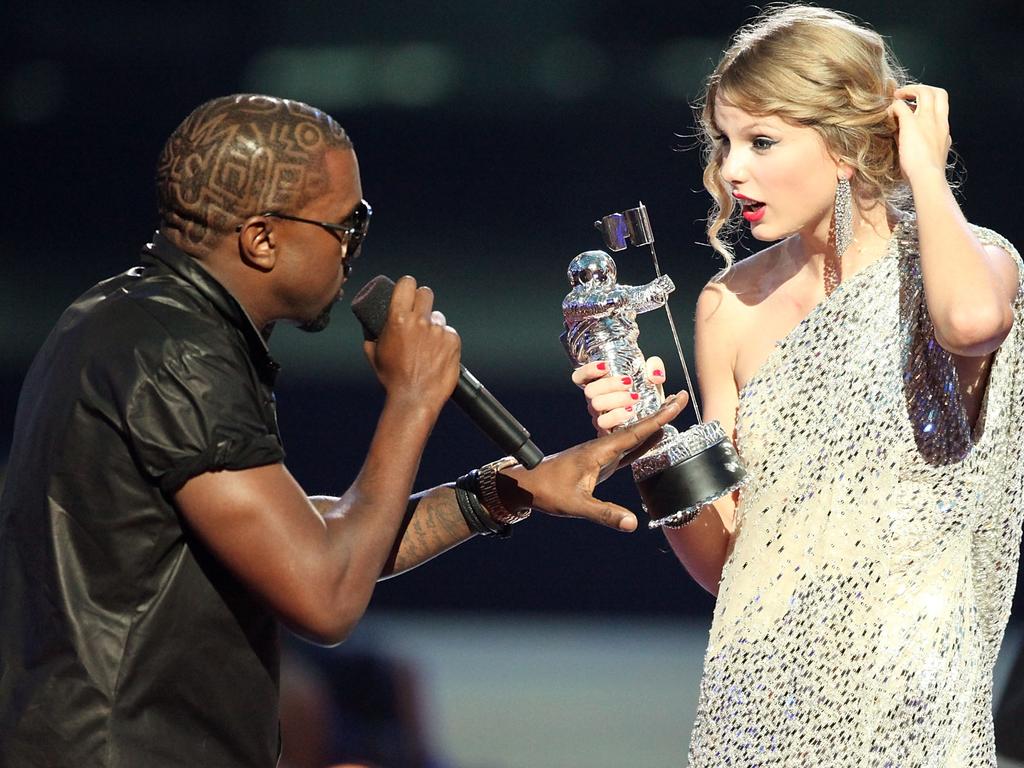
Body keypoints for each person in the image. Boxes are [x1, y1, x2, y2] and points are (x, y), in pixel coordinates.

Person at [0, 93, 686, 768]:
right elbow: (324, 594)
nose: (356, 250)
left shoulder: (130, 321)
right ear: (261, 238)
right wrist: (413, 396)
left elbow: (303, 536)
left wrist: (506, 491)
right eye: (344, 226)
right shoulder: (175, 352)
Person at [575, 5, 1024, 765]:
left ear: (845, 144)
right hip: (757, 702)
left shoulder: (972, 264)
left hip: (915, 701)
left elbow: (974, 322)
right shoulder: (729, 306)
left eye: (761, 141)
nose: (729, 171)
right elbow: (729, 563)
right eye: (723, 143)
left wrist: (923, 168)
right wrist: (654, 442)